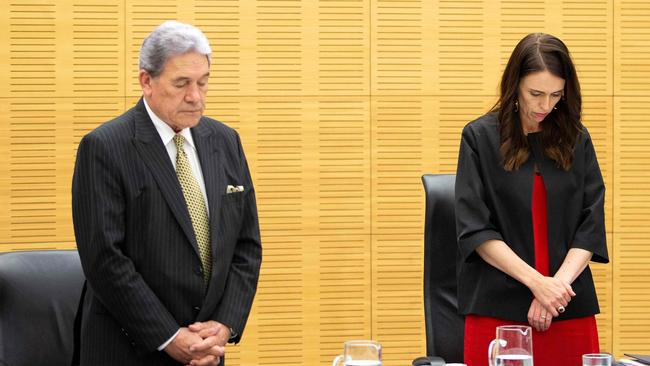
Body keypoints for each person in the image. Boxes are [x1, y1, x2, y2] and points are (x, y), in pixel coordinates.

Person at [71, 21, 262, 366]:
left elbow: (246, 246)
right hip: (129, 350)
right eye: (181, 84)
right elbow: (105, 258)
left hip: (206, 352)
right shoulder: (105, 147)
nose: (195, 96)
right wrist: (169, 337)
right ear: (147, 81)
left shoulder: (226, 141)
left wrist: (223, 325)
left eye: (203, 82)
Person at [454, 33, 608, 366]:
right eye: (535, 93)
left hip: (567, 306)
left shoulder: (576, 139)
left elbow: (590, 223)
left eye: (556, 95)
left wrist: (555, 290)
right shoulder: (479, 137)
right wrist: (538, 284)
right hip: (497, 311)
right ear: (515, 86)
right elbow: (475, 229)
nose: (545, 106)